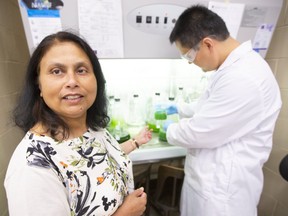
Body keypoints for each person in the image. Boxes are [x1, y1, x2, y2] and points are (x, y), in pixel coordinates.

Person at [4, 31, 152, 216]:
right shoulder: (32, 166)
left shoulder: (92, 128)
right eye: (57, 71)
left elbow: (94, 160)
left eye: (81, 70)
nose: (72, 81)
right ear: (38, 85)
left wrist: (135, 142)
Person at [166, 5, 282, 216]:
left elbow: (201, 131)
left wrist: (169, 130)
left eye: (189, 57)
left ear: (207, 44)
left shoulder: (244, 77)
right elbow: (210, 108)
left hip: (222, 198)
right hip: (209, 185)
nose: (191, 64)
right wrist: (181, 108)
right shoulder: (232, 69)